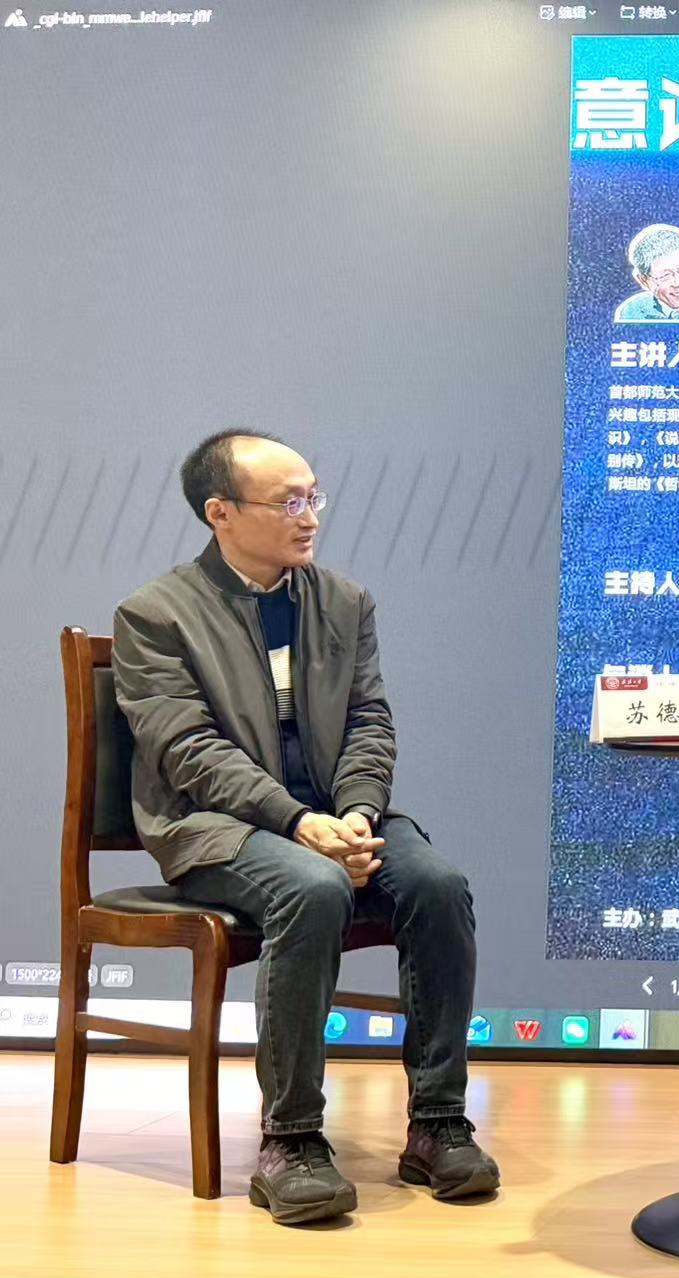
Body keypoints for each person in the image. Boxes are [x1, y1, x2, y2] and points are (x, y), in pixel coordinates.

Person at [112, 430, 500, 1225]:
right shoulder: (155, 615)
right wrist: (297, 822)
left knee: (437, 884)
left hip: (334, 816)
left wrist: (354, 812)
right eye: (288, 501)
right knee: (313, 888)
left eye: (313, 496)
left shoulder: (343, 602)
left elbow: (369, 721)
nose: (309, 516)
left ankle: (437, 1124)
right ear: (220, 512)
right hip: (215, 828)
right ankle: (290, 1139)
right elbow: (189, 751)